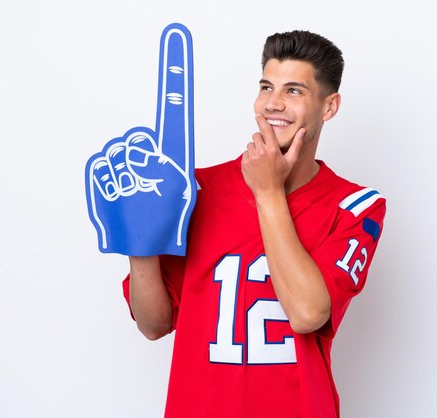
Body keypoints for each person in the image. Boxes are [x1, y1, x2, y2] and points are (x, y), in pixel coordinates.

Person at [123, 29, 386, 418]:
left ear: (329, 107)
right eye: (267, 86)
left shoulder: (354, 206)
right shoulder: (197, 189)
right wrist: (138, 242)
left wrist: (268, 191)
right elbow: (154, 324)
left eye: (294, 91)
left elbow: (308, 313)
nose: (273, 104)